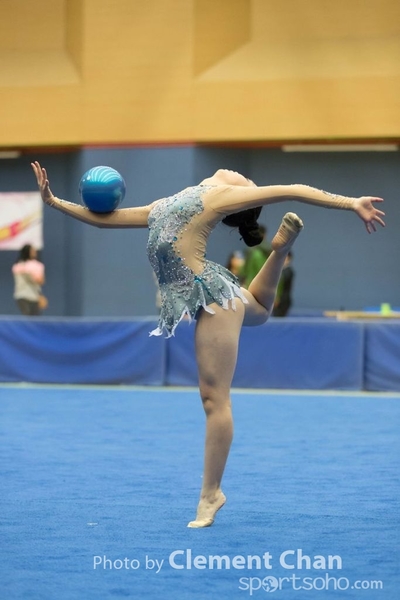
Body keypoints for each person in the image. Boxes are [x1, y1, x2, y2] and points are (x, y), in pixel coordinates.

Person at [31, 162, 385, 528]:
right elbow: (107, 220)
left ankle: (211, 494)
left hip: (213, 298)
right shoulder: (166, 203)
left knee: (214, 398)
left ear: (243, 190)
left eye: (249, 181)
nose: (242, 174)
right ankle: (279, 252)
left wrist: (351, 202)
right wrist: (54, 201)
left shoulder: (222, 196)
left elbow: (295, 188)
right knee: (258, 310)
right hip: (216, 290)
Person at [12, 244, 46, 316]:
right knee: (27, 317)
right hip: (22, 295)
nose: (34, 252)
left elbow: (40, 281)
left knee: (35, 318)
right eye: (32, 251)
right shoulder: (18, 266)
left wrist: (40, 296)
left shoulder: (38, 266)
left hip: (34, 297)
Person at [240, 224, 272, 289]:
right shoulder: (267, 251)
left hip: (249, 284)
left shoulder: (251, 250)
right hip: (261, 285)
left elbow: (244, 270)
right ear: (264, 235)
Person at [273, 251, 294, 317]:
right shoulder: (281, 271)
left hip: (283, 300)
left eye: (285, 258)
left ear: (289, 259)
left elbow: (282, 280)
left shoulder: (289, 271)